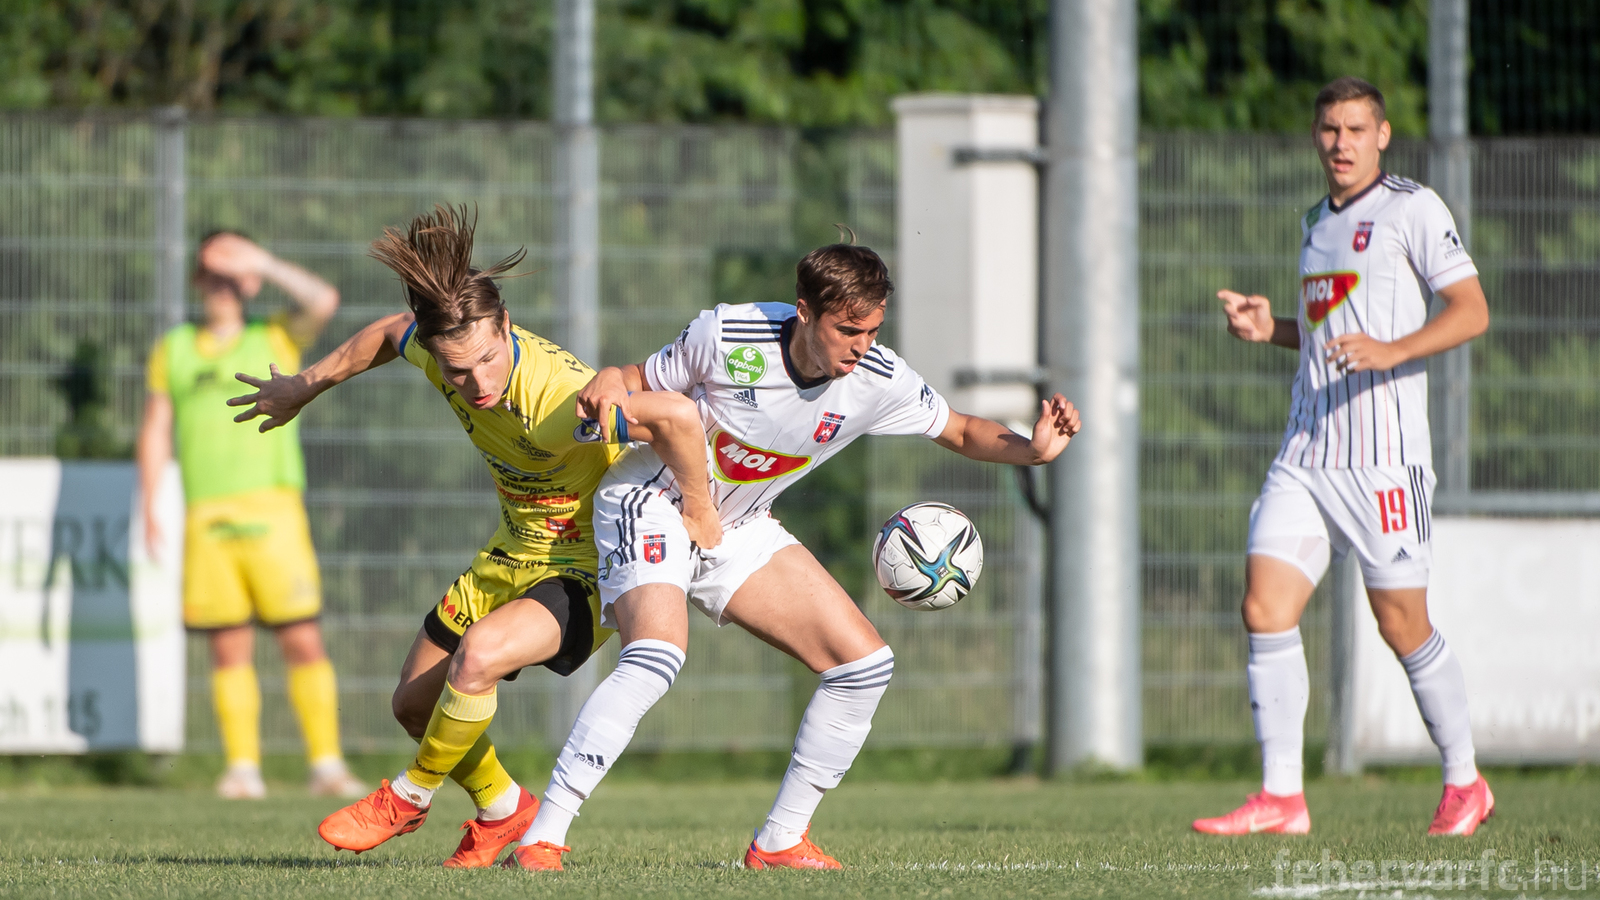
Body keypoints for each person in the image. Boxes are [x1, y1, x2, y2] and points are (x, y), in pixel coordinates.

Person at [501, 239, 1081, 872]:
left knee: (863, 666)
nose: (862, 346)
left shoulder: (878, 379)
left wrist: (1032, 450)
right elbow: (636, 381)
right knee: (657, 655)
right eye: (848, 330)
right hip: (655, 499)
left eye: (873, 330)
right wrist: (610, 381)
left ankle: (780, 840)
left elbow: (961, 429)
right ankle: (540, 839)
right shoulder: (728, 334)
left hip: (739, 525)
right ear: (804, 312)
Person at [228, 205, 719, 867]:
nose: (479, 383)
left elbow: (677, 418)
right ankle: (502, 807)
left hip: (588, 561)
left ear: (506, 325)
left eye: (489, 358)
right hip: (511, 549)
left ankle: (410, 795)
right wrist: (305, 387)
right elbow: (387, 334)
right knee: (414, 705)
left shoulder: (558, 402)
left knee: (480, 654)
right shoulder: (439, 349)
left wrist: (699, 511)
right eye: (458, 370)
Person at [1192, 77, 1492, 837]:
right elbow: (1327, 335)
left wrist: (1394, 349)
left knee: (1402, 625)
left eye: (1357, 129)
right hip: (1306, 452)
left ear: (1382, 135)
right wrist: (1272, 329)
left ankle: (1465, 783)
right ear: (1315, 136)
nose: (1341, 143)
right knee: (1264, 607)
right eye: (1330, 129)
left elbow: (1471, 311)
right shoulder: (1314, 223)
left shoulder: (1412, 208)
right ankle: (1282, 797)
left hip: (1383, 459)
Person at [136, 231, 362, 800]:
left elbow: (324, 300)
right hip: (207, 515)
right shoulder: (175, 349)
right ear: (197, 280)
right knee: (227, 645)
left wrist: (258, 259)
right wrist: (148, 503)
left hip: (273, 510)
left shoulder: (274, 335)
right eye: (212, 273)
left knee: (301, 637)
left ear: (250, 281)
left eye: (232, 275)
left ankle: (327, 766)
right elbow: (156, 428)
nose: (222, 285)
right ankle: (242, 770)